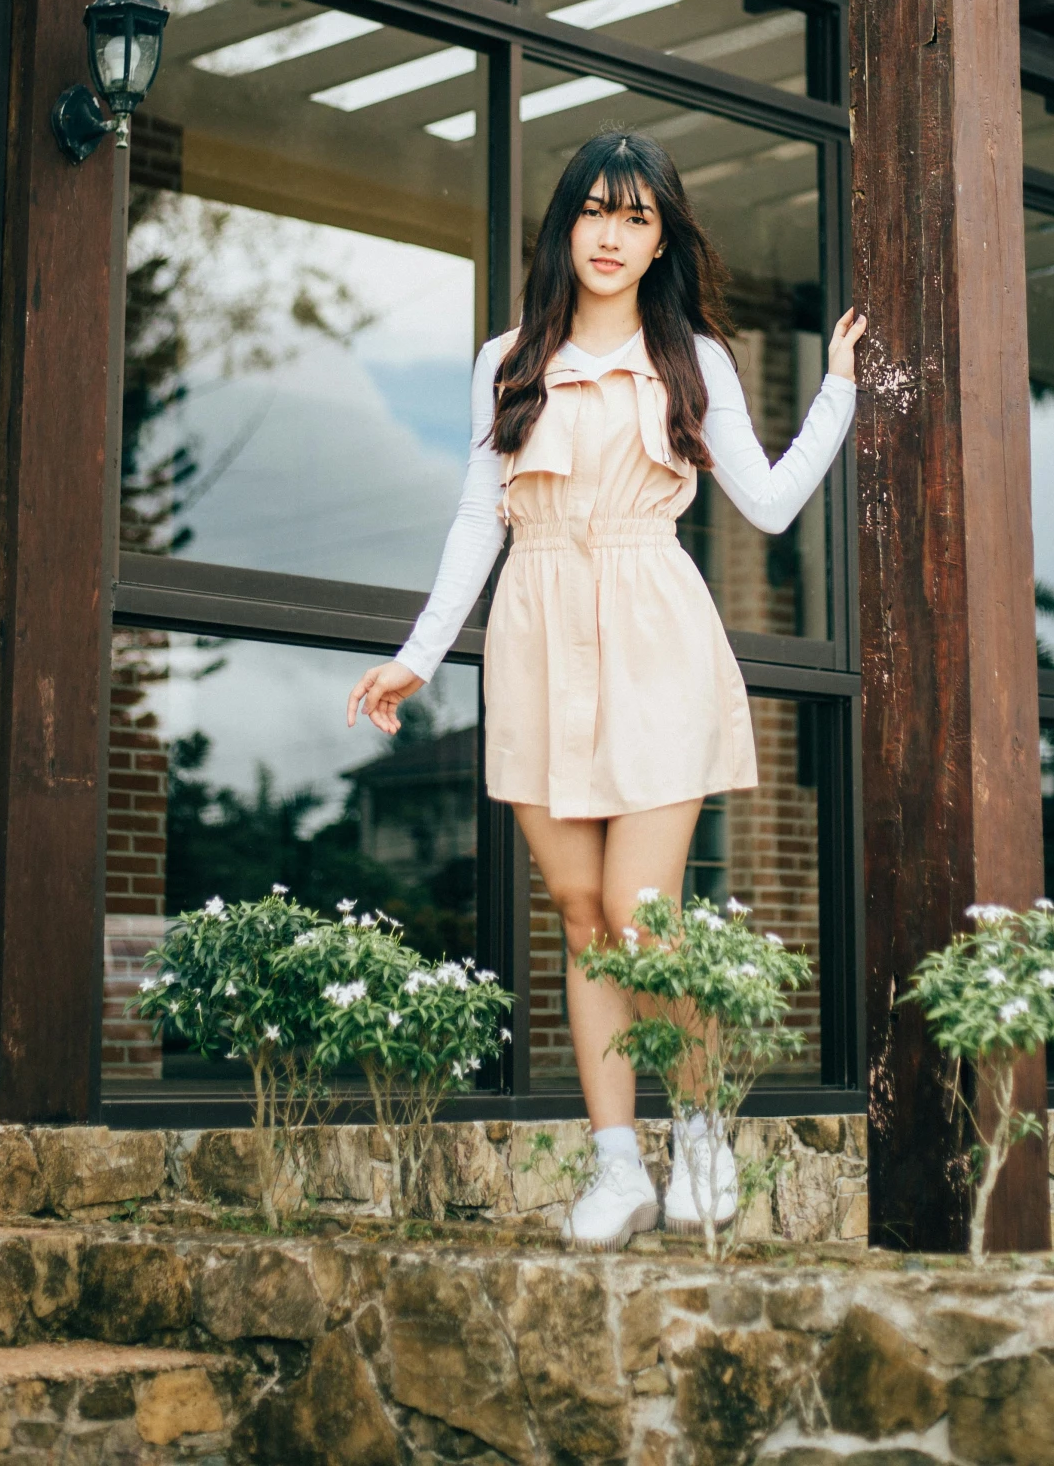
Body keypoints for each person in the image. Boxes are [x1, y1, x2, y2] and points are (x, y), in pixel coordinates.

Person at [349, 127, 864, 1250]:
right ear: (565, 223)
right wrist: (420, 654)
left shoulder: (694, 360)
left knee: (642, 920)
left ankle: (702, 1129)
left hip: (653, 630)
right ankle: (616, 1164)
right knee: (581, 918)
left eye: (638, 217)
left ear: (663, 235)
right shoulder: (508, 357)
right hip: (535, 637)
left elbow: (768, 506)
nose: (613, 236)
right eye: (596, 211)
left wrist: (835, 397)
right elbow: (475, 517)